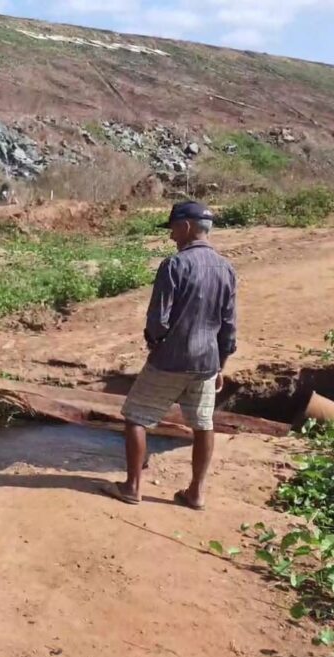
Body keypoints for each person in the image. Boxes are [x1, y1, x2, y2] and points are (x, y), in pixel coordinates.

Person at [101, 201, 237, 511]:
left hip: (171, 358)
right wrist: (221, 365)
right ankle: (196, 493)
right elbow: (229, 325)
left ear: (187, 227)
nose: (172, 236)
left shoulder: (174, 265)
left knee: (136, 417)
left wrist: (155, 342)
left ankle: (132, 486)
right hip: (207, 361)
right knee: (203, 424)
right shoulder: (226, 268)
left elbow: (157, 319)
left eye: (174, 228)